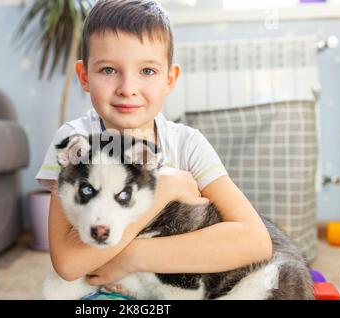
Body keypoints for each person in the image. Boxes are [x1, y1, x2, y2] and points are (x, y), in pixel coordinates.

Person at [35, 0, 272, 294]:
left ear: (169, 78)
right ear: (84, 76)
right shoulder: (75, 140)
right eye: (108, 70)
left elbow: (255, 241)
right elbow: (69, 264)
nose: (127, 87)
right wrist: (167, 189)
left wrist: (133, 258)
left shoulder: (187, 144)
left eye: (147, 71)